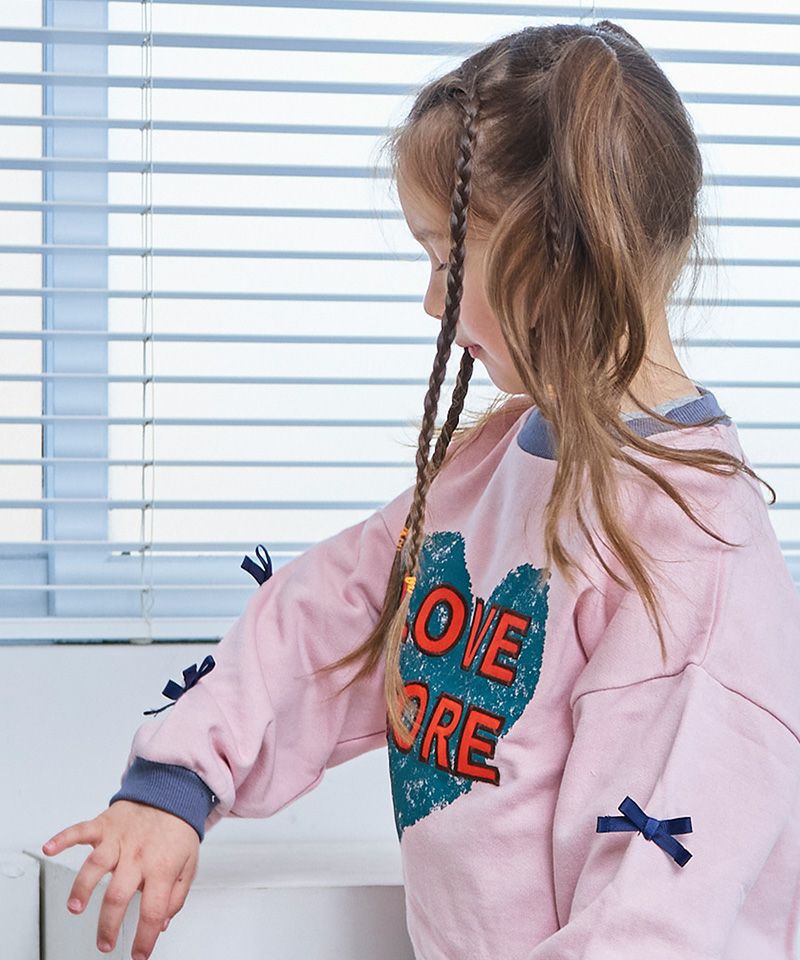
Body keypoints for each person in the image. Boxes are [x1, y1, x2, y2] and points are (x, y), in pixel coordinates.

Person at [42, 18, 800, 960]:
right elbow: (329, 616)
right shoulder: (496, 466)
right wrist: (178, 784)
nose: (432, 301)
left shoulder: (692, 554)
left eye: (449, 259)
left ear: (558, 253)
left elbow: (653, 918)